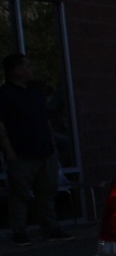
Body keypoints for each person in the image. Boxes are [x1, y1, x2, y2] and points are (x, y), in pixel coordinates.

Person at [0, 53, 71, 244]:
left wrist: (52, 145)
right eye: (27, 66)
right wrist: (9, 151)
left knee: (47, 193)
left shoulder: (35, 92)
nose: (31, 69)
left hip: (45, 151)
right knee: (20, 195)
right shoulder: (5, 94)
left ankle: (50, 229)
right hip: (21, 154)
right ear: (17, 70)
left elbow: (45, 119)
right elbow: (1, 125)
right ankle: (19, 232)